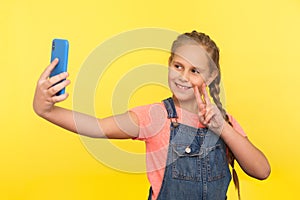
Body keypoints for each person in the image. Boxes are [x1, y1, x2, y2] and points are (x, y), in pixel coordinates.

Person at [33, 31, 270, 200]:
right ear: (169, 65)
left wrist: (223, 128)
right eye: (178, 66)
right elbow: (97, 126)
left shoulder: (224, 121)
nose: (184, 76)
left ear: (209, 77)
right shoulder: (155, 116)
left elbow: (261, 171)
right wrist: (46, 110)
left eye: (195, 70)